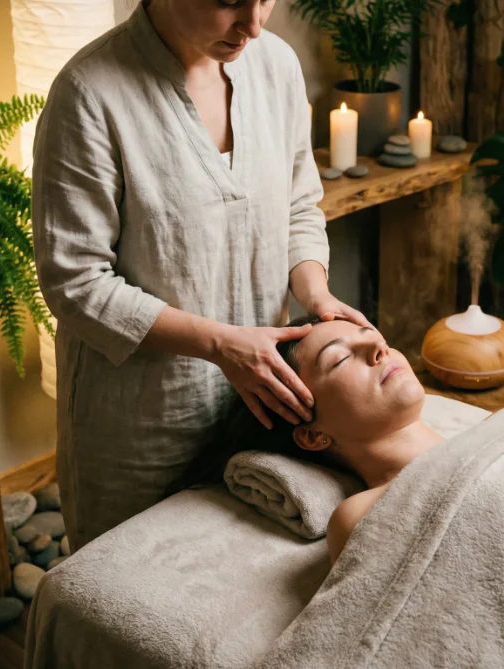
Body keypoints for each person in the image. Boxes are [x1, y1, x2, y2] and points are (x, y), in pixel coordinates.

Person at [32, 0, 371, 550]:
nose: (254, 25)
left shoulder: (275, 65)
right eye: (228, 1)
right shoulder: (90, 94)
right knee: (128, 582)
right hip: (145, 421)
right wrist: (219, 345)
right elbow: (76, 282)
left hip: (258, 412)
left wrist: (315, 291)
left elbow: (298, 205)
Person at [171, 315, 444, 563]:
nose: (379, 348)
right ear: (313, 435)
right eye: (339, 359)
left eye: (375, 336)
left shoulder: (473, 436)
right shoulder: (363, 517)